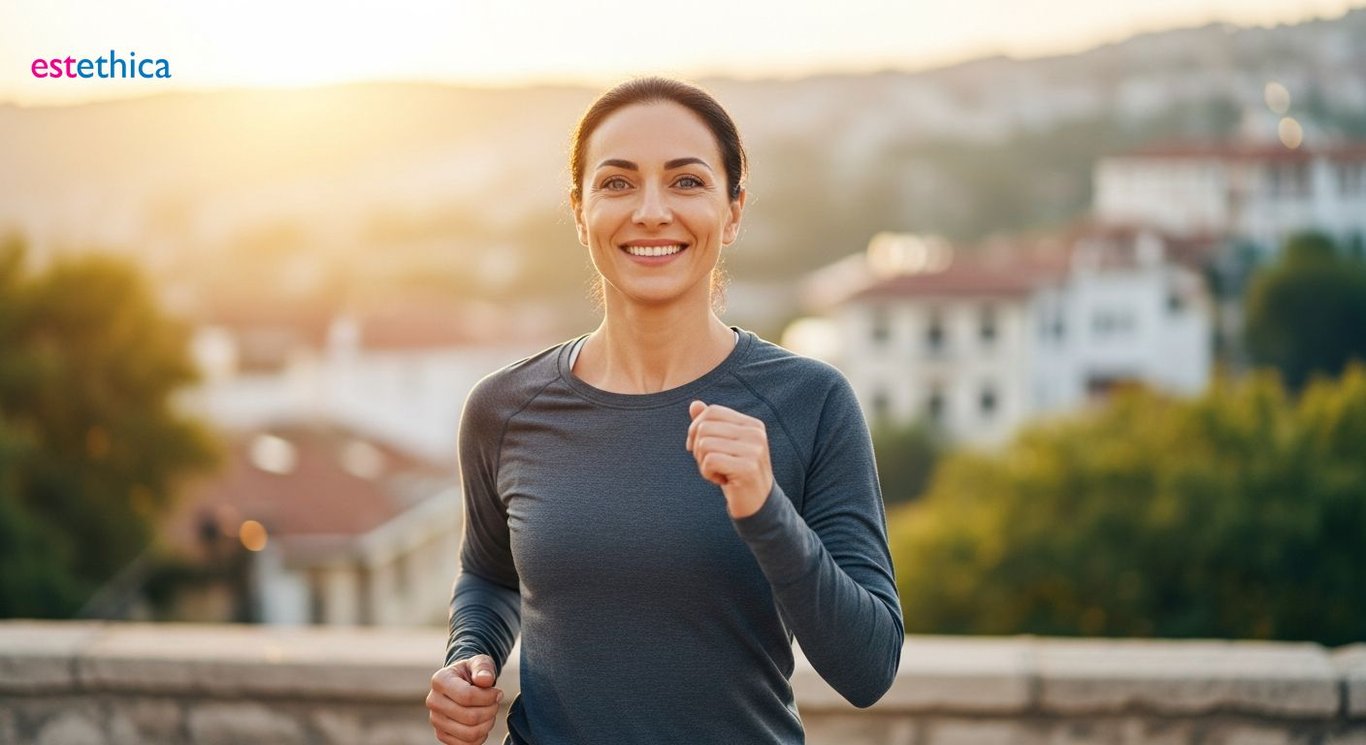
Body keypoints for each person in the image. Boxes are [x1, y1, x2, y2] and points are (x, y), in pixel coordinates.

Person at [425, 76, 903, 745]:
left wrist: (767, 510)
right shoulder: (503, 407)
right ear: (579, 210)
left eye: (686, 182)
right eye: (617, 183)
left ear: (732, 211)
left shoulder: (812, 403)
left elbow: (869, 666)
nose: (651, 211)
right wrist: (468, 658)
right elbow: (489, 572)